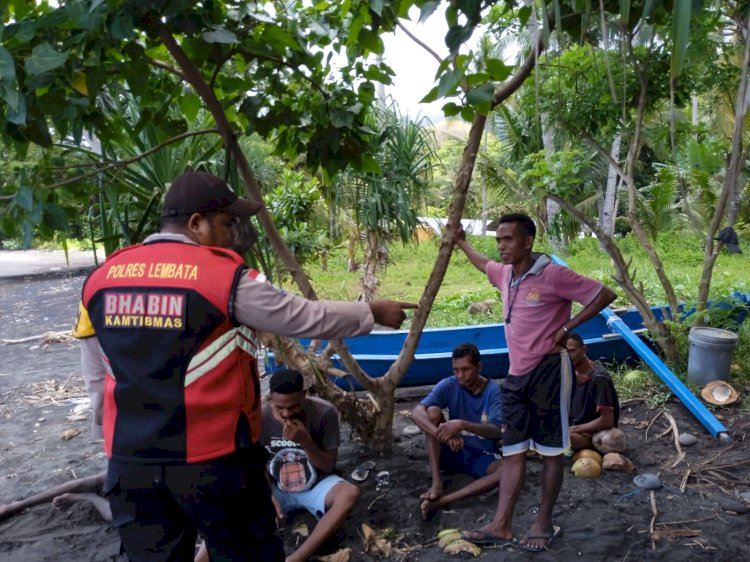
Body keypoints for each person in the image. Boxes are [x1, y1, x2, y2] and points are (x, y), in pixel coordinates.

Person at [72, 170, 416, 562]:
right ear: (195, 223)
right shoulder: (221, 276)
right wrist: (370, 311)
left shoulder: (101, 280)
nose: (233, 234)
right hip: (213, 463)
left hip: (131, 465)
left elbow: (97, 378)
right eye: (227, 223)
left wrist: (115, 446)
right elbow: (301, 316)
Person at [453, 213, 615, 552]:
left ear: (527, 241)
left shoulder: (553, 275)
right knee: (513, 450)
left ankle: (543, 522)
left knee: (551, 451)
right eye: (498, 239)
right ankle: (502, 524)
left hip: (548, 371)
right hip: (515, 376)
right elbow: (483, 264)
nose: (501, 246)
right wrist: (461, 242)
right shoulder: (505, 275)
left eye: (508, 239)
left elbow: (603, 294)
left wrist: (568, 328)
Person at [261, 369, 359, 562]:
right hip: (277, 487)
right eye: (279, 407)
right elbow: (255, 463)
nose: (286, 413)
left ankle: (297, 557)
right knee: (233, 497)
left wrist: (305, 442)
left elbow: (328, 466)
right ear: (271, 399)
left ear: (304, 395)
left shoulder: (325, 412)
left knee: (350, 493)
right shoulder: (259, 416)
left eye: (293, 406)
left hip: (316, 484)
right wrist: (267, 493)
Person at [410, 343, 503, 520]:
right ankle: (436, 483)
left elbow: (496, 431)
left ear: (479, 367)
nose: (461, 375)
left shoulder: (493, 391)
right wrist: (443, 435)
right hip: (452, 451)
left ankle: (444, 500)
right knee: (432, 412)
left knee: (507, 471)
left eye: (466, 369)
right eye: (456, 370)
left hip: (481, 454)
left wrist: (462, 425)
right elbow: (416, 412)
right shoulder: (449, 385)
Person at [565, 333, 620, 450]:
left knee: (559, 436)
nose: (567, 356)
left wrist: (575, 429)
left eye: (571, 351)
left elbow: (607, 420)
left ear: (584, 350)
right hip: (573, 427)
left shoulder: (599, 378)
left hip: (591, 434)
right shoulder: (569, 374)